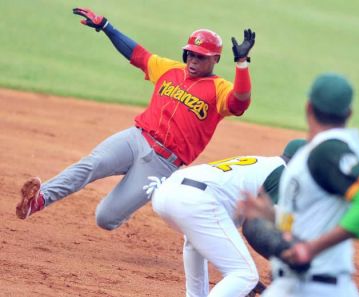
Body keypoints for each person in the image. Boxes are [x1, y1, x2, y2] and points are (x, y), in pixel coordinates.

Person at [15, 7, 256, 231]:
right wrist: (107, 27)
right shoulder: (170, 70)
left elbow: (240, 102)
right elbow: (137, 54)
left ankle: (133, 198)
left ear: (215, 59)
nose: (193, 60)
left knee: (105, 218)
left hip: (162, 162)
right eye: (190, 54)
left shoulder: (220, 89)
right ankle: (39, 200)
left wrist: (242, 64)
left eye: (201, 57)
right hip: (135, 138)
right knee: (91, 164)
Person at [238, 73, 359, 297]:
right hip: (299, 285)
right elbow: (313, 218)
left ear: (308, 107)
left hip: (316, 286)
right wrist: (272, 216)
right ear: (348, 113)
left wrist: (311, 249)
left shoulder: (329, 150)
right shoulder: (317, 151)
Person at [150, 139, 306, 297]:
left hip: (166, 192)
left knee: (195, 244)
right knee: (245, 275)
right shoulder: (285, 176)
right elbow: (268, 227)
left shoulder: (266, 163)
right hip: (196, 200)